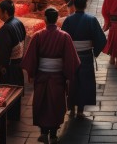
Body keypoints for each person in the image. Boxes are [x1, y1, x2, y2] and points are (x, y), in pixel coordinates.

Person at [22, 8, 80, 144]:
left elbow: (31, 58)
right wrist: (68, 75)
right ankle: (53, 135)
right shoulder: (65, 36)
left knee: (41, 103)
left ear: (45, 19)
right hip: (58, 77)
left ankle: (43, 132)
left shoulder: (38, 36)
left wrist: (31, 73)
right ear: (58, 18)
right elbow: (71, 59)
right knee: (56, 104)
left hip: (42, 75)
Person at [62, 0, 107, 119]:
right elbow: (102, 39)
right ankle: (80, 109)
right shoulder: (91, 19)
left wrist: (64, 55)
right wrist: (95, 50)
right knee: (84, 82)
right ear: (85, 5)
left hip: (72, 55)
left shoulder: (68, 20)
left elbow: (63, 40)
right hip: (86, 55)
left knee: (71, 81)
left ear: (74, 5)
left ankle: (71, 107)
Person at [0, 0, 27, 121]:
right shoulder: (18, 22)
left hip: (10, 67)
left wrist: (0, 66)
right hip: (18, 64)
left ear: (5, 12)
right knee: (15, 93)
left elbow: (2, 51)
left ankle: (8, 118)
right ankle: (14, 116)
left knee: (8, 93)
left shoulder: (6, 28)